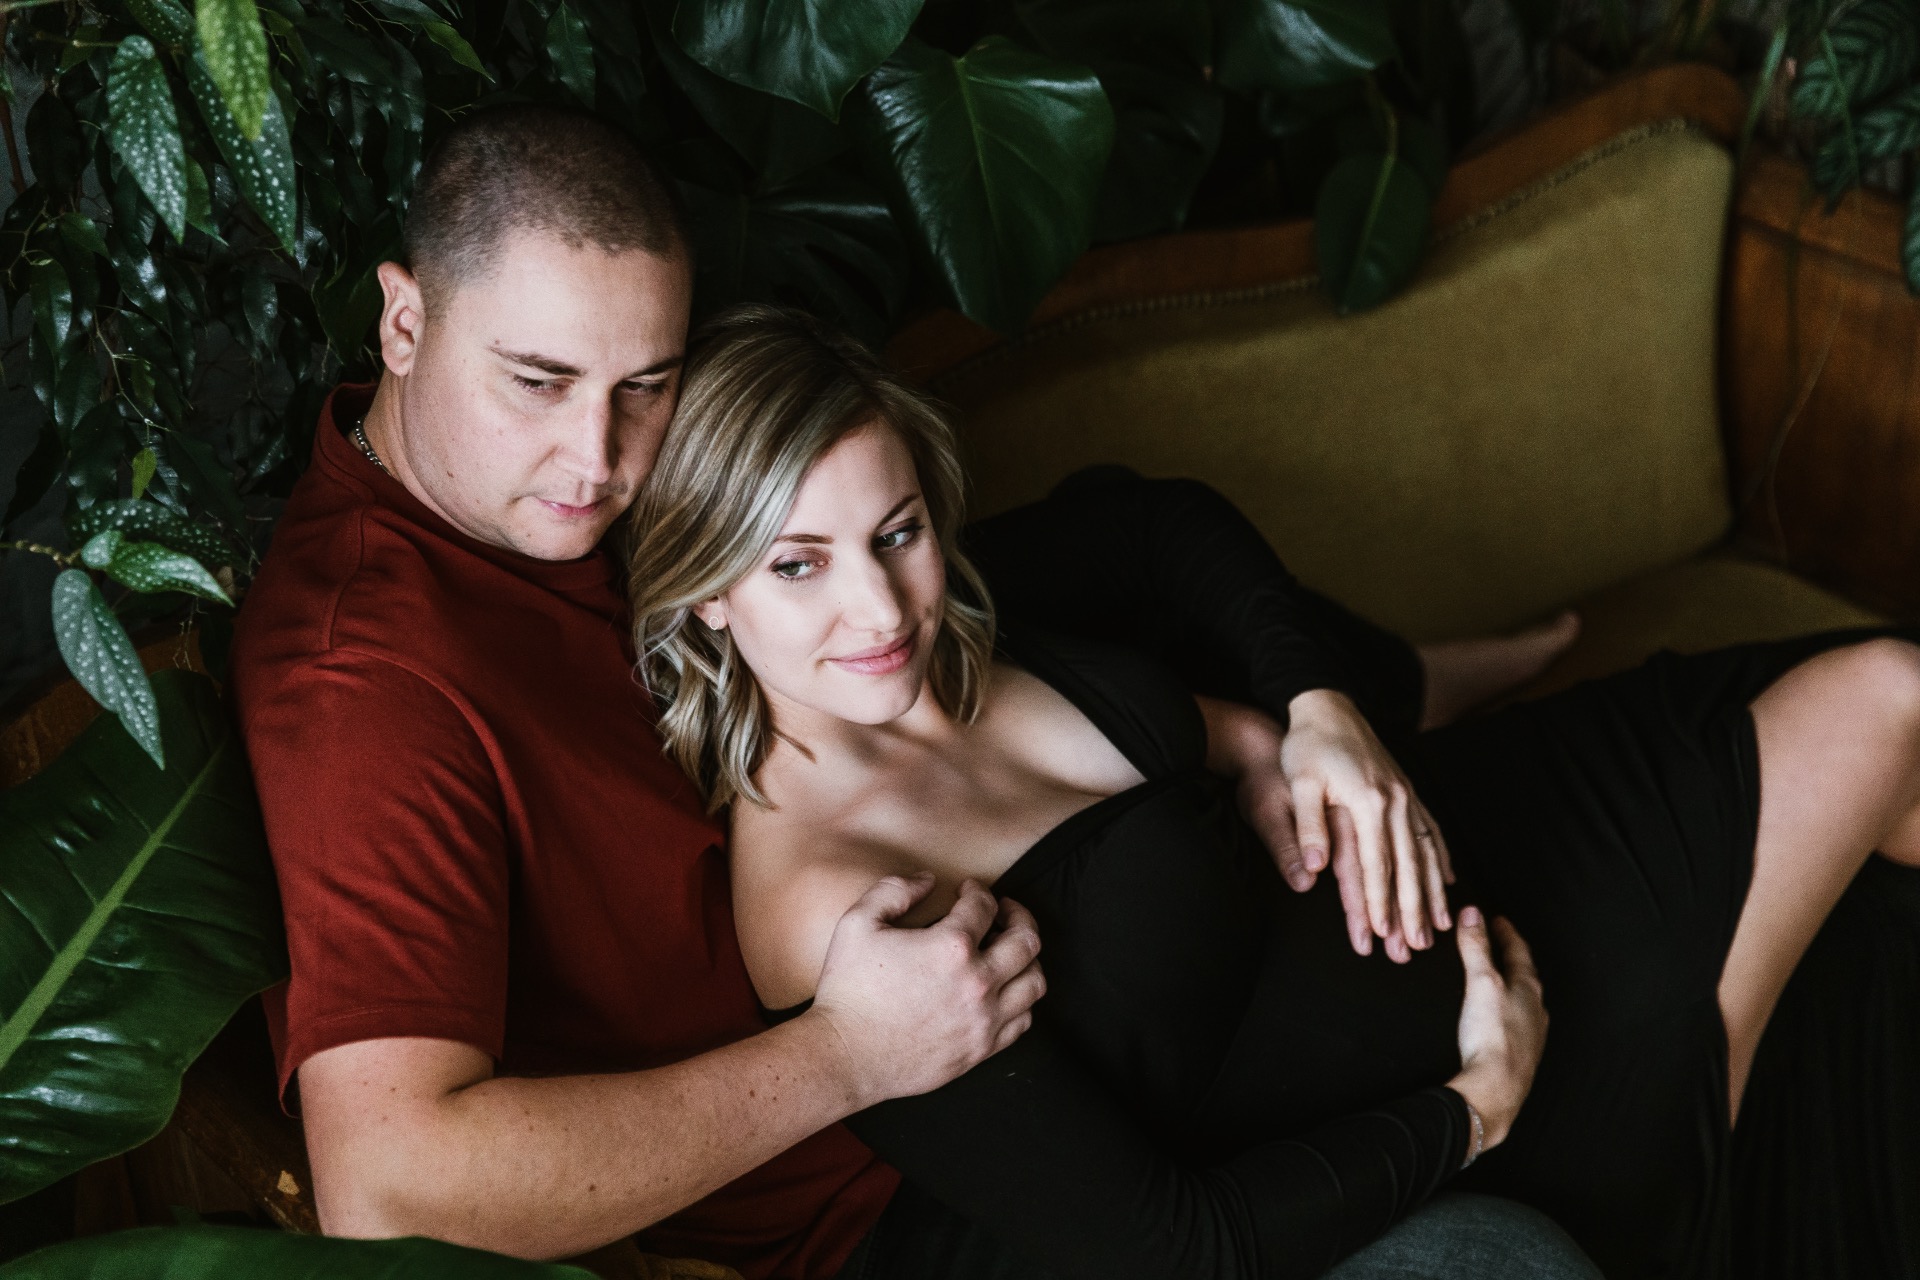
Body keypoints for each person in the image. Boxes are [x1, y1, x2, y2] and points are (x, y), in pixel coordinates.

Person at [228, 103, 1592, 1279]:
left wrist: (1277, 710)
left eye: (644, 387)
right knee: (1507, 1248)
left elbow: (994, 577)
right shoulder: (365, 684)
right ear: (403, 320)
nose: (599, 460)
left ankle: (1400, 686)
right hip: (893, 1201)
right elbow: (389, 1192)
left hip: (1036, 996)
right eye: (536, 383)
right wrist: (846, 1057)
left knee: (1045, 592)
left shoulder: (540, 500)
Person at [624, 304, 1920, 1280]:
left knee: (1896, 699)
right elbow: (1173, 1244)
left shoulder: (943, 617)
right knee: (1879, 802)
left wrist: (1312, 710)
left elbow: (1159, 525)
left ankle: (1412, 687)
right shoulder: (833, 912)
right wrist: (1475, 1109)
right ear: (707, 595)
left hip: (1497, 835)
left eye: (898, 531)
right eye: (797, 565)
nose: (879, 607)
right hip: (1495, 1071)